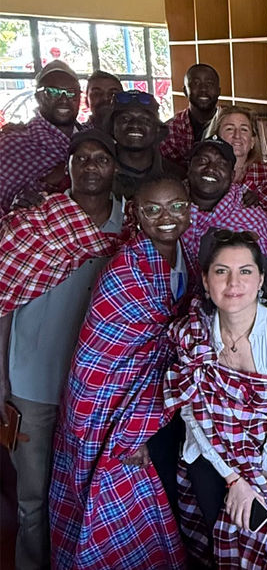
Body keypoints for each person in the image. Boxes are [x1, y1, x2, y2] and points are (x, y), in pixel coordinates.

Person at [50, 174, 191, 569]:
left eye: (176, 206)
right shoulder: (124, 270)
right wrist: (129, 433)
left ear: (189, 210)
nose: (166, 217)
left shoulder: (187, 259)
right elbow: (100, 364)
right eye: (153, 209)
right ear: (136, 214)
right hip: (116, 417)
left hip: (163, 405)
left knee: (168, 505)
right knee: (123, 511)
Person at [0, 129, 126, 570]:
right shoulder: (32, 224)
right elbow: (2, 304)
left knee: (86, 493)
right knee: (32, 497)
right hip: (32, 384)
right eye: (81, 158)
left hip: (96, 392)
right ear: (67, 167)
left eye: (101, 158)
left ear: (115, 168)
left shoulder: (131, 225)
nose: (90, 166)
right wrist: (1, 380)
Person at [166, 229, 267, 570]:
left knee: (259, 532)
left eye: (245, 271)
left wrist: (256, 477)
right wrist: (233, 478)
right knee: (213, 542)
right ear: (206, 281)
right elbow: (193, 414)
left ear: (260, 280)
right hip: (210, 452)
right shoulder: (194, 333)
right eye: (222, 271)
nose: (234, 283)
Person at [180, 138, 267, 276]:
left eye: (221, 164)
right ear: (189, 167)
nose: (211, 168)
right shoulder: (168, 204)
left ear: (232, 175)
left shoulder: (252, 216)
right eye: (203, 161)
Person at [0, 60, 85, 215]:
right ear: (37, 97)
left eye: (71, 92)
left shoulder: (91, 139)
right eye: (52, 92)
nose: (64, 99)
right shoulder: (11, 145)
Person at [211, 106, 267, 220]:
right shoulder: (205, 170)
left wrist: (258, 205)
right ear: (216, 137)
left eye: (244, 130)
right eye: (229, 129)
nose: (237, 135)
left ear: (252, 141)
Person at [110, 90, 185, 199]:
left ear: (158, 129)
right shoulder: (99, 174)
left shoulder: (176, 176)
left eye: (145, 120)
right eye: (125, 119)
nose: (135, 124)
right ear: (112, 127)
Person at [162, 63, 221, 167]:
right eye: (196, 83)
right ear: (185, 91)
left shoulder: (230, 124)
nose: (203, 89)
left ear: (219, 91)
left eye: (210, 83)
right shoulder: (169, 129)